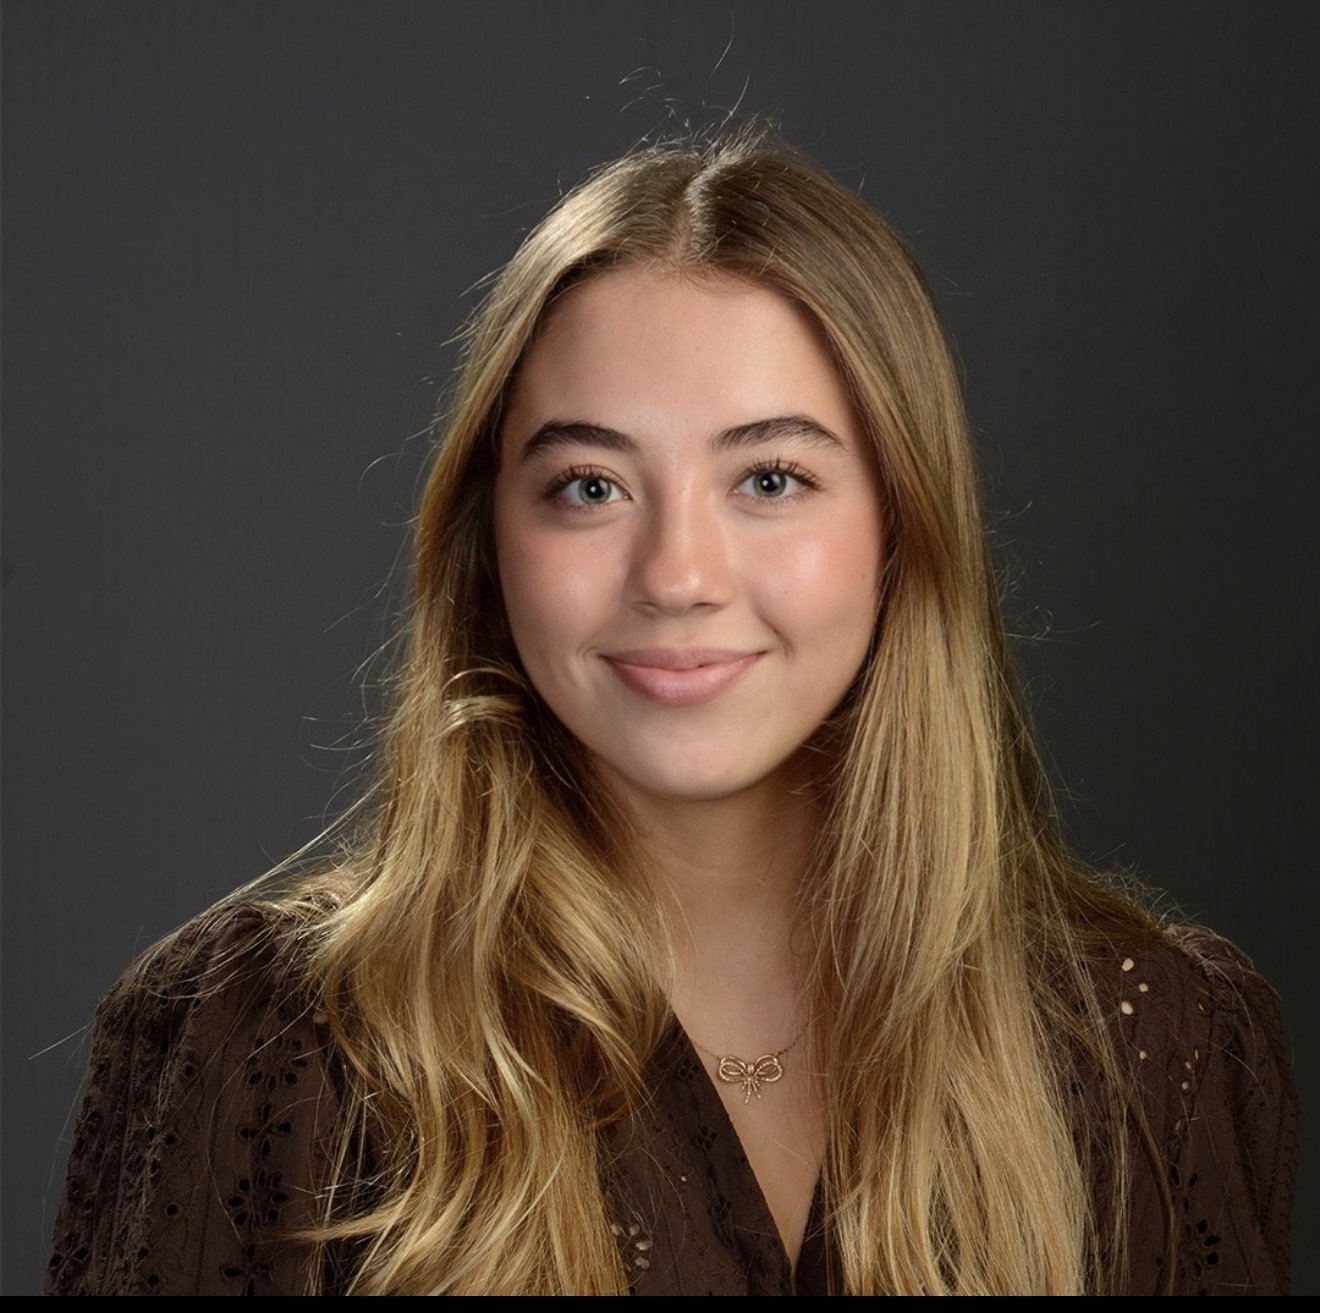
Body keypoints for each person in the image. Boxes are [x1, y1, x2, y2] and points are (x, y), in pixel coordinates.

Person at [45, 120, 1298, 1297]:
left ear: (901, 523)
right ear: (488, 541)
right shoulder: (263, 1044)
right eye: (590, 485)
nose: (679, 575)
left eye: (771, 477)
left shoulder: (1156, 1048)